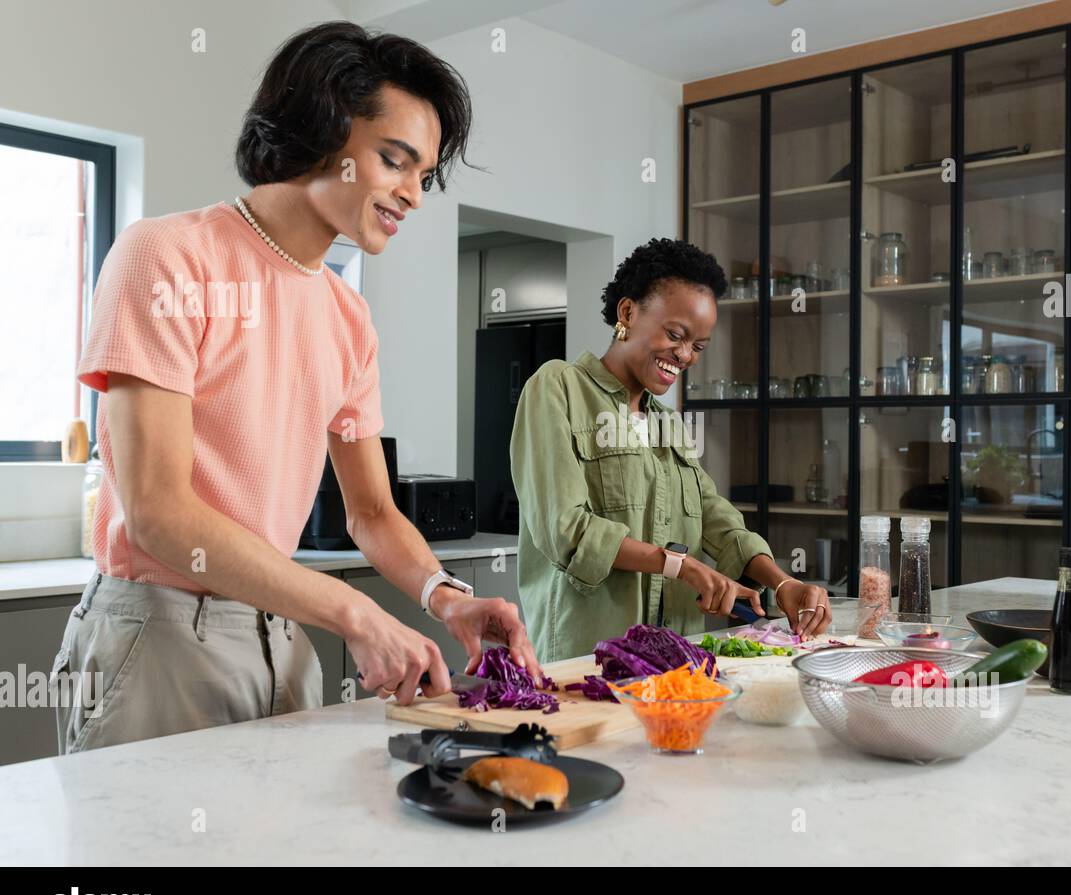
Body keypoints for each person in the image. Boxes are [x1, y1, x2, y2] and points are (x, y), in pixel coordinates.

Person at [53, 21, 538, 754]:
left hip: (280, 636)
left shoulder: (347, 316)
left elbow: (373, 511)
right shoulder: (167, 257)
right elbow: (157, 513)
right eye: (395, 160)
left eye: (424, 175)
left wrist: (448, 596)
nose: (413, 194)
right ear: (322, 129)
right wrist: (352, 612)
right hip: (158, 637)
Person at [510, 238, 831, 662]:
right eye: (675, 335)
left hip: (676, 659)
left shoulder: (666, 423)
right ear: (628, 313)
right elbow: (565, 531)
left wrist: (781, 582)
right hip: (587, 660)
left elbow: (715, 516)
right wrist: (681, 565)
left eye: (698, 347)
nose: (684, 356)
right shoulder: (557, 388)